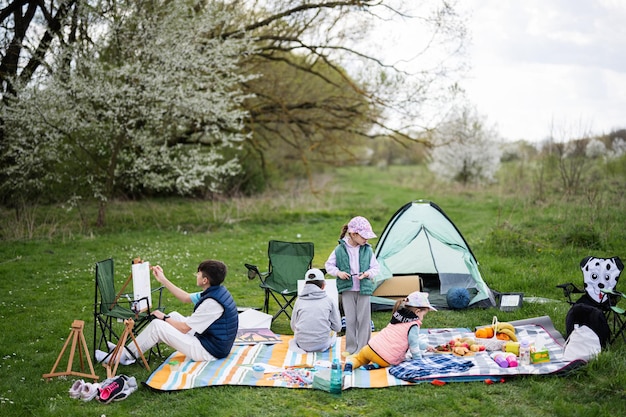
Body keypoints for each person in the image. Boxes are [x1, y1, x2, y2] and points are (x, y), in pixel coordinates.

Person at [123, 259, 239, 362]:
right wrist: (163, 279)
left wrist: (164, 317)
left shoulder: (212, 303)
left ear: (205, 280)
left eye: (198, 273)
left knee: (158, 325)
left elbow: (184, 329)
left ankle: (124, 355)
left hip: (209, 351)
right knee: (173, 316)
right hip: (208, 339)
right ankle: (130, 350)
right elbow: (185, 298)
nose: (196, 275)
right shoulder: (215, 291)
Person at [325, 216, 380, 354]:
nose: (366, 240)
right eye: (364, 237)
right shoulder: (339, 249)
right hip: (347, 289)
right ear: (354, 234)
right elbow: (329, 265)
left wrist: (367, 274)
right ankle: (350, 349)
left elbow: (376, 268)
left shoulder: (367, 250)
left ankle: (363, 349)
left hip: (364, 289)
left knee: (364, 319)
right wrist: (339, 273)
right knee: (350, 319)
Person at [343, 291, 436, 373]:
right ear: (417, 311)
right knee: (394, 361)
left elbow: (413, 339)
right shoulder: (413, 325)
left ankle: (350, 365)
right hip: (385, 358)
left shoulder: (398, 316)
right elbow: (414, 345)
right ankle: (377, 365)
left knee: (360, 358)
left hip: (370, 348)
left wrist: (426, 346)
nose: (423, 317)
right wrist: (418, 362)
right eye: (424, 314)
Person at [290, 268, 342, 352]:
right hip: (323, 345)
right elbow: (337, 327)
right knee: (333, 335)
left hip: (302, 344)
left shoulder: (299, 301)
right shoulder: (329, 301)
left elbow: (293, 326)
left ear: (305, 285)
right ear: (323, 285)